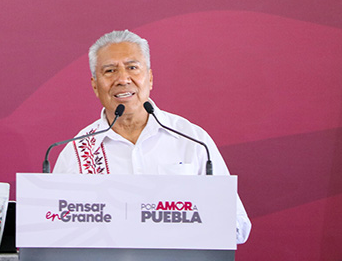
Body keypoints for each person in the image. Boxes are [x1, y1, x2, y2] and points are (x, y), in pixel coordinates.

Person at [53, 29, 251, 244]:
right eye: (110, 71)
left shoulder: (192, 140)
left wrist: (182, 219)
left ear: (150, 79)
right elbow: (56, 232)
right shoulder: (76, 153)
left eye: (132, 68)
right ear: (95, 85)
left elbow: (238, 227)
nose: (123, 79)